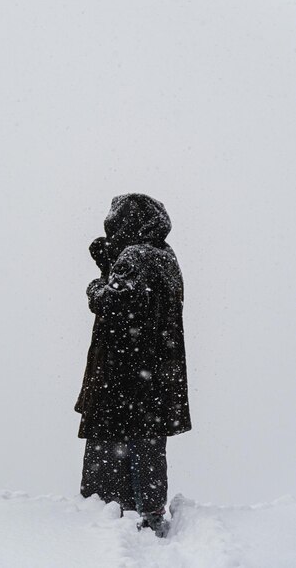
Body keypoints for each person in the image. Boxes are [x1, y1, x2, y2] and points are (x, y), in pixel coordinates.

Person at [74, 193, 192, 536]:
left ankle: (118, 516)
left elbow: (110, 300)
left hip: (124, 372)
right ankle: (150, 510)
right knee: (148, 441)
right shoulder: (167, 257)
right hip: (158, 370)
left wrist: (98, 281)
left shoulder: (134, 256)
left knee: (115, 441)